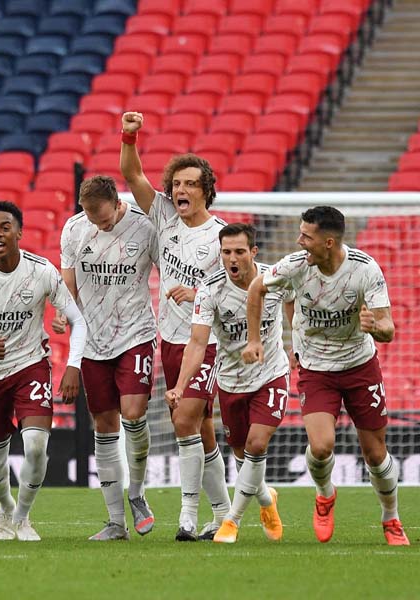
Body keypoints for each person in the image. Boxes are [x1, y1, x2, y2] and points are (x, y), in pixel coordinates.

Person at [243, 206, 410, 546]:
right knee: (320, 448)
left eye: (307, 236)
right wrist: (255, 339)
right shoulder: (295, 266)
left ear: (328, 242)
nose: (299, 241)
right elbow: (256, 287)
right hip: (316, 369)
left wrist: (375, 327)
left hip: (360, 366)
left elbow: (389, 328)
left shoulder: (365, 270)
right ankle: (324, 495)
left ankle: (391, 518)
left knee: (376, 454)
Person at [120, 111, 231, 541]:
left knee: (184, 421)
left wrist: (198, 292)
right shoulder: (164, 215)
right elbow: (131, 173)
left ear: (206, 191)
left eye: (190, 184)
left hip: (204, 343)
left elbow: (235, 292)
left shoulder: (221, 237)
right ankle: (222, 512)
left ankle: (186, 517)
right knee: (199, 427)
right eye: (176, 184)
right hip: (169, 338)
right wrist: (130, 134)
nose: (180, 190)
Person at [0, 201, 86, 541]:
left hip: (31, 365)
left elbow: (77, 320)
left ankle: (22, 518)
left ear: (19, 232)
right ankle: (5, 507)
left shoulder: (41, 271)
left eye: (4, 227)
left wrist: (73, 365)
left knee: (37, 445)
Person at [165, 224, 292, 544]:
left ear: (254, 253)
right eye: (226, 252)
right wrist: (181, 385)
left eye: (239, 252)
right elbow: (196, 344)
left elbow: (294, 309)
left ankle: (230, 523)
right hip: (232, 382)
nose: (232, 258)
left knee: (257, 445)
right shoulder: (209, 289)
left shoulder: (276, 279)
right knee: (242, 457)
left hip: (271, 374)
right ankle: (267, 500)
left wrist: (299, 349)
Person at [55, 175, 158, 541]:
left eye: (104, 219)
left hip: (135, 334)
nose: (99, 226)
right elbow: (67, 282)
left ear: (117, 202)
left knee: (133, 412)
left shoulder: (144, 229)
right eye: (92, 219)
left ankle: (138, 493)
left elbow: (169, 269)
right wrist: (60, 312)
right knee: (104, 425)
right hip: (93, 340)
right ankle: (116, 522)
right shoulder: (74, 229)